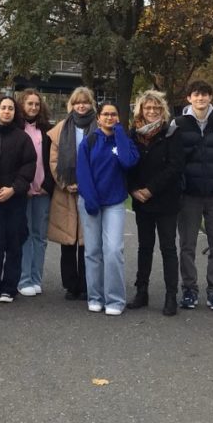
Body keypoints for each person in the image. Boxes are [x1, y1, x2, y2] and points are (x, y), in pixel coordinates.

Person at [174, 79, 213, 311]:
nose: (200, 98)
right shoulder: (177, 123)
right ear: (189, 98)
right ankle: (189, 288)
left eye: (205, 95)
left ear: (210, 98)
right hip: (189, 194)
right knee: (187, 244)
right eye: (196, 95)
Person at [78, 101, 140, 314]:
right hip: (91, 201)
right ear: (98, 118)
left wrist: (120, 134)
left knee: (113, 250)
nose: (109, 118)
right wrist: (90, 198)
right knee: (93, 251)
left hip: (114, 202)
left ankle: (114, 299)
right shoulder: (89, 141)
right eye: (105, 114)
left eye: (113, 114)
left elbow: (128, 162)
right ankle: (95, 296)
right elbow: (83, 172)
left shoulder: (125, 141)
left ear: (119, 118)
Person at [126, 90, 184, 316]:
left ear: (163, 111)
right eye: (148, 108)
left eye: (156, 108)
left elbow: (175, 166)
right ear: (140, 110)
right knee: (144, 247)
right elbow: (127, 164)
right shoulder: (133, 134)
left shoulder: (171, 133)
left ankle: (171, 296)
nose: (152, 112)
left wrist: (151, 189)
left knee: (168, 248)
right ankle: (142, 291)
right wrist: (133, 189)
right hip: (141, 200)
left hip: (166, 199)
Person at [0, 96, 36, 303]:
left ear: (15, 112)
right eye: (3, 108)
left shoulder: (23, 138)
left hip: (15, 199)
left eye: (10, 108)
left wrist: (13, 189)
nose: (6, 112)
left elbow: (29, 166)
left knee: (14, 243)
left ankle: (9, 287)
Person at [47, 87, 97, 300]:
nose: (81, 106)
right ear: (72, 104)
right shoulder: (61, 128)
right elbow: (54, 160)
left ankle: (87, 284)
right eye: (77, 102)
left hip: (91, 190)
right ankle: (70, 285)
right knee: (68, 241)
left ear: (91, 104)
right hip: (66, 190)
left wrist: (87, 184)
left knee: (88, 241)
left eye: (85, 102)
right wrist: (65, 183)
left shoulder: (99, 126)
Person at [17, 88, 53, 297]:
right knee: (25, 235)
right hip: (23, 191)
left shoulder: (47, 130)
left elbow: (52, 161)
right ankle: (23, 279)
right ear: (22, 105)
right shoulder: (17, 129)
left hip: (43, 190)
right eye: (29, 103)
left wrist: (46, 185)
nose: (33, 107)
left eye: (36, 104)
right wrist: (23, 186)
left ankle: (36, 277)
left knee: (40, 236)